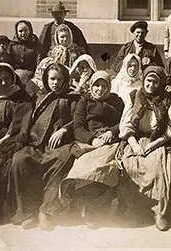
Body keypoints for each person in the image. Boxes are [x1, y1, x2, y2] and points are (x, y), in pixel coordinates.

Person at [8, 62, 78, 231]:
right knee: (19, 160)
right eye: (52, 79)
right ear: (46, 79)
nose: (55, 82)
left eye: (59, 79)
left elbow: (79, 118)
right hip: (36, 143)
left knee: (63, 159)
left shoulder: (73, 97)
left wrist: (64, 129)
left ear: (65, 79)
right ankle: (27, 211)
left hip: (59, 145)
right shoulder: (39, 96)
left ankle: (46, 211)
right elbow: (26, 118)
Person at [117, 66, 171, 231]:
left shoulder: (169, 100)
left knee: (158, 170)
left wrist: (153, 145)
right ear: (144, 80)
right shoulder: (135, 97)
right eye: (148, 80)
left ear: (160, 83)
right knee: (127, 165)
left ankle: (159, 212)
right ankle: (136, 208)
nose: (151, 84)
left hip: (158, 141)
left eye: (155, 81)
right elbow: (125, 124)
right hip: (135, 139)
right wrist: (133, 144)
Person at [60, 71, 124, 229]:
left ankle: (96, 210)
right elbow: (78, 127)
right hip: (87, 142)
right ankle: (80, 206)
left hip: (110, 143)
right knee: (83, 167)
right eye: (96, 85)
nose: (100, 89)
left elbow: (124, 121)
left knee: (103, 167)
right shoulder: (84, 101)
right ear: (91, 85)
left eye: (104, 86)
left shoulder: (116, 101)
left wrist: (112, 131)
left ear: (109, 87)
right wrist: (91, 139)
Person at [0, 63, 33, 222]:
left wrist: (1, 142)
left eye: (7, 78)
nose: (3, 83)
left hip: (12, 142)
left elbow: (19, 128)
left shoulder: (21, 98)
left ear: (13, 78)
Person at [9, 20, 40, 84]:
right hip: (15, 73)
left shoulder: (35, 43)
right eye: (20, 31)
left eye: (25, 31)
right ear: (16, 32)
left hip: (32, 74)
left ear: (30, 30)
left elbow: (39, 59)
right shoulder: (12, 44)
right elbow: (9, 59)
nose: (23, 33)